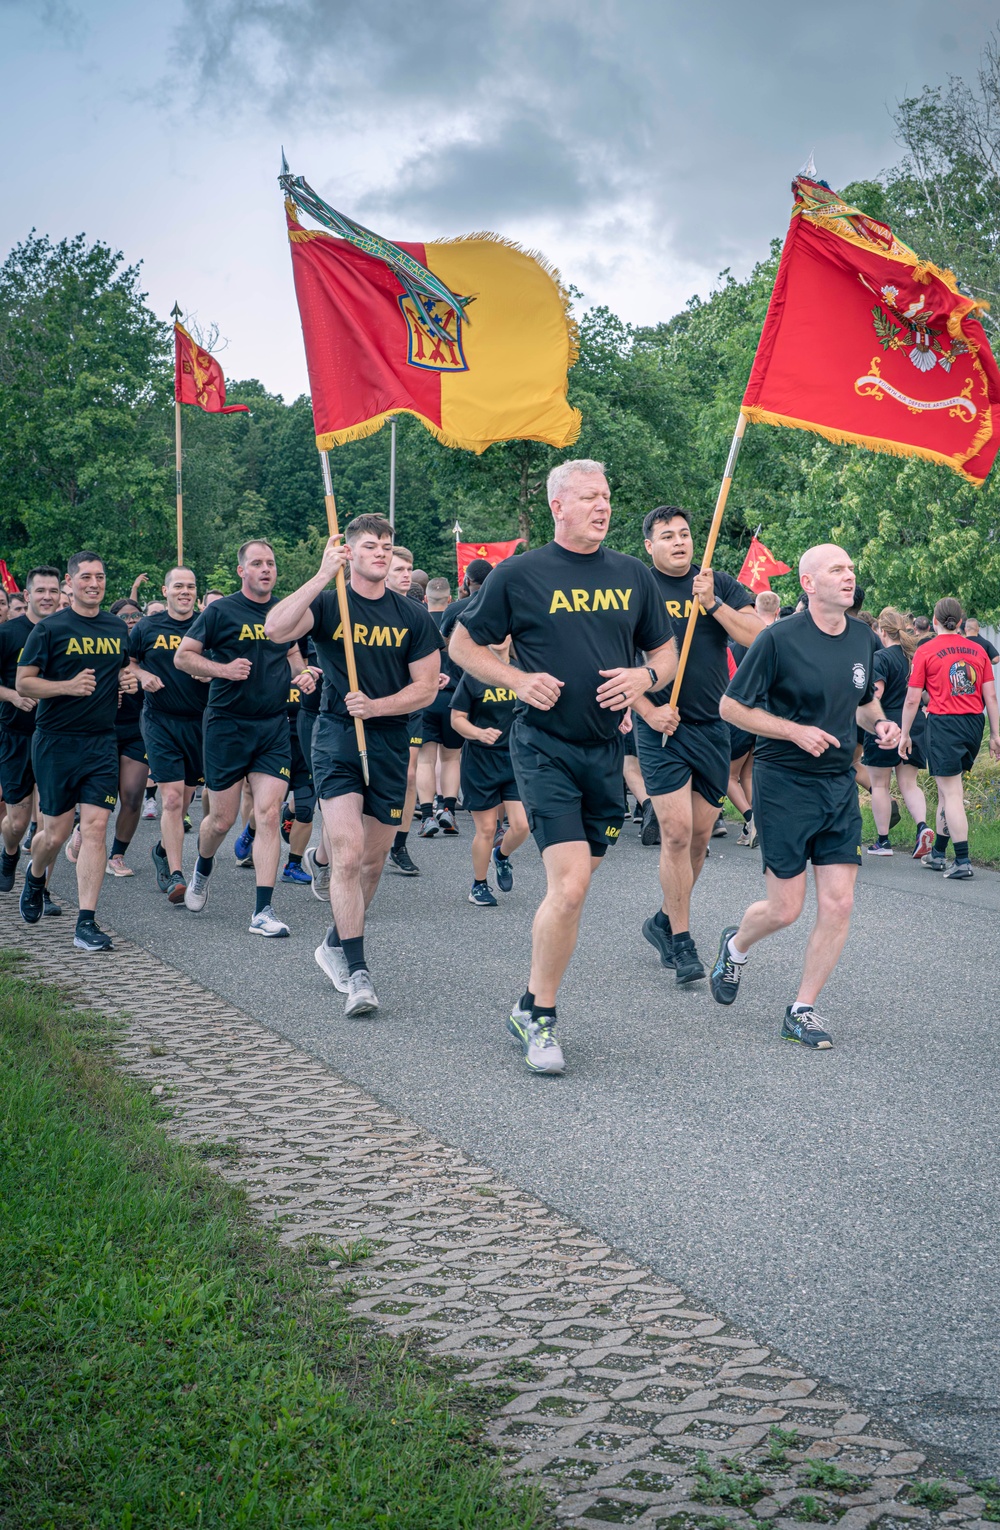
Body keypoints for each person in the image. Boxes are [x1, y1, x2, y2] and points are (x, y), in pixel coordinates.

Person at [449, 459, 676, 1075]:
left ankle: (528, 1004)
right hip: (543, 746)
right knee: (570, 885)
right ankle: (542, 1016)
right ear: (558, 506)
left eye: (606, 496)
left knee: (573, 894)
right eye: (588, 497)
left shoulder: (634, 575)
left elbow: (666, 651)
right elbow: (462, 645)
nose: (602, 507)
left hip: (605, 750)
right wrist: (518, 681)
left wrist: (645, 678)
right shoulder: (519, 575)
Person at [711, 544, 895, 1049]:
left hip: (837, 784)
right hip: (784, 781)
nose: (848, 576)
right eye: (837, 569)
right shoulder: (778, 640)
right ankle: (736, 944)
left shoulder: (862, 637)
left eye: (851, 569)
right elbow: (731, 707)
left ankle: (802, 1009)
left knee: (839, 903)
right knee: (786, 908)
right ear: (809, 584)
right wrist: (792, 730)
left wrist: (880, 722)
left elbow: (862, 701)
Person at [265, 515, 442, 1017]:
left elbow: (426, 687)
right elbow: (275, 629)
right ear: (350, 552)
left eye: (387, 546)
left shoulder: (412, 615)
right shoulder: (329, 602)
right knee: (348, 852)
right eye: (370, 546)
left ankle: (333, 942)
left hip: (386, 736)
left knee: (370, 861)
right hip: (336, 734)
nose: (381, 553)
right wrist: (322, 574)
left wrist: (380, 706)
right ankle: (359, 974)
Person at [631, 506, 762, 985]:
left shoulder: (718, 583)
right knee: (678, 833)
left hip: (712, 726)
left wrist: (713, 605)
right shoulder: (636, 587)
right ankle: (683, 943)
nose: (680, 542)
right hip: (661, 726)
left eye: (685, 534)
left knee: (703, 838)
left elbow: (758, 636)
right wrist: (648, 709)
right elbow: (616, 659)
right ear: (650, 546)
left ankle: (664, 921)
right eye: (667, 536)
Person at [176, 540, 300, 936]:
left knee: (268, 814)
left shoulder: (285, 612)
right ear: (241, 571)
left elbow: (296, 657)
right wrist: (222, 670)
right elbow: (183, 657)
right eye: (257, 563)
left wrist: (306, 674)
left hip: (272, 725)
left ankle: (263, 911)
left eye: (271, 563)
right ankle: (202, 868)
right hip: (227, 724)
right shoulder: (220, 610)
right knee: (221, 820)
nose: (266, 569)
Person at [16, 551, 137, 951]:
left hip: (101, 742)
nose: (94, 583)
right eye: (85, 577)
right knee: (55, 834)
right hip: (55, 742)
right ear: (70, 583)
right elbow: (24, 684)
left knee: (96, 828)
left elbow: (118, 668)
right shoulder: (50, 628)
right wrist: (67, 687)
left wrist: (127, 679)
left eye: (100, 577)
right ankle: (35, 877)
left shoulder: (117, 627)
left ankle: (86, 922)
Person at [900, 596, 1000, 879]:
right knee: (948, 790)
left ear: (934, 620)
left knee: (952, 792)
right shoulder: (978, 650)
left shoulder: (926, 650)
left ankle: (964, 860)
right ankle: (939, 854)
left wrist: (905, 733)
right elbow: (990, 696)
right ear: (960, 621)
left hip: (944, 723)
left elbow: (911, 700)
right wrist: (995, 734)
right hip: (973, 724)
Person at [128, 567, 208, 902]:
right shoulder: (148, 626)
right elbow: (126, 663)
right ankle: (177, 875)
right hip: (160, 719)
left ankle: (162, 849)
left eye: (190, 586)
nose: (185, 591)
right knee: (172, 798)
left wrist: (211, 673)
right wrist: (142, 674)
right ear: (165, 590)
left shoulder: (207, 623)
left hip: (200, 722)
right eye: (179, 586)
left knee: (187, 796)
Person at [450, 638, 529, 906]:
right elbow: (457, 719)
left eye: (504, 632)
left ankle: (502, 856)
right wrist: (479, 733)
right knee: (485, 828)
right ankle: (479, 885)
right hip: (480, 761)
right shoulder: (475, 674)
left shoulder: (523, 671)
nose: (499, 638)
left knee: (522, 826)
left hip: (515, 758)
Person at [0, 566, 62, 905]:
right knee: (19, 821)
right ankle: (9, 852)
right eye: (41, 591)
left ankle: (42, 888)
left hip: (55, 737)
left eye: (53, 591)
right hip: (16, 736)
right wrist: (12, 695)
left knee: (51, 823)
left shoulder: (68, 631)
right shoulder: (9, 633)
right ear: (27, 595)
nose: (48, 597)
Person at [862, 607, 933, 858]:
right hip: (914, 724)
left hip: (886, 724)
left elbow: (876, 694)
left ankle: (883, 841)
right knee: (909, 783)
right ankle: (922, 827)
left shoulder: (880, 658)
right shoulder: (914, 658)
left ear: (882, 631)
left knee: (880, 785)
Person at [728, 590, 780, 847]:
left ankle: (750, 819)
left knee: (727, 776)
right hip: (768, 714)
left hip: (741, 713)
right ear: (778, 611)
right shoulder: (780, 638)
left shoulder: (740, 642)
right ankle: (756, 824)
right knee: (748, 775)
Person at [384, 545, 422, 874]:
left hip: (411, 705)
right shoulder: (364, 606)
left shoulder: (416, 610)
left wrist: (431, 674)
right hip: (371, 708)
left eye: (409, 569)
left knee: (409, 776)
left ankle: (399, 843)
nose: (406, 575)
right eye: (399, 569)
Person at [104, 599, 149, 876]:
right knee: (98, 797)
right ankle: (83, 829)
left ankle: (117, 855)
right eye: (124, 616)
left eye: (136, 615)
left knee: (132, 797)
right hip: (103, 729)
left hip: (138, 729)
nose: (131, 620)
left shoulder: (148, 648)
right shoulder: (105, 646)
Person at [416, 575, 462, 835]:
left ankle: (426, 816)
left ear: (425, 599)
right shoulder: (457, 623)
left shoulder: (419, 619)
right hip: (454, 698)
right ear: (449, 599)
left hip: (425, 697)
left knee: (425, 760)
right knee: (451, 758)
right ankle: (449, 812)